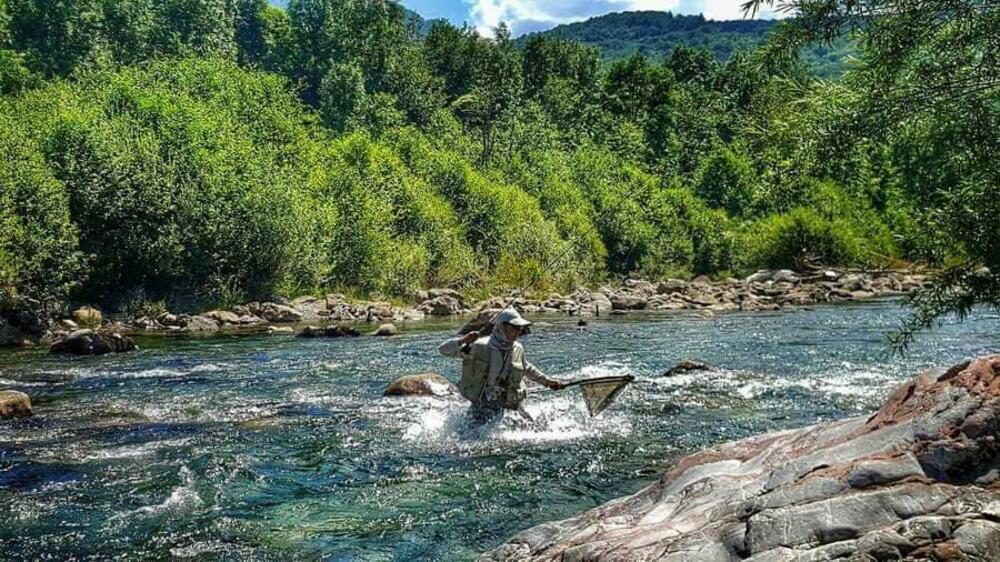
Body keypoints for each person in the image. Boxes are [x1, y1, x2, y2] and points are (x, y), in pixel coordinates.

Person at [439, 308, 565, 419]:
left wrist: (548, 382)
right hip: (482, 405)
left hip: (511, 405)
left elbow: (527, 368)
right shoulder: (479, 346)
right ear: (501, 327)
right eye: (514, 327)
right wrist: (463, 340)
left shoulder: (518, 348)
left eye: (519, 328)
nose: (518, 331)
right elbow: (444, 350)